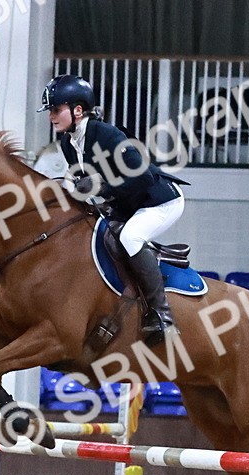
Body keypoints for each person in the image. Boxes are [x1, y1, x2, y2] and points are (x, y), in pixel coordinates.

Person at [38, 74, 187, 345]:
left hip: (160, 201)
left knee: (130, 237)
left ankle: (162, 316)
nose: (52, 116)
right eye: (51, 111)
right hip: (128, 204)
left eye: (56, 109)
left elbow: (143, 177)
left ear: (78, 110)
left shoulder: (106, 134)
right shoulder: (67, 144)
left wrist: (102, 188)